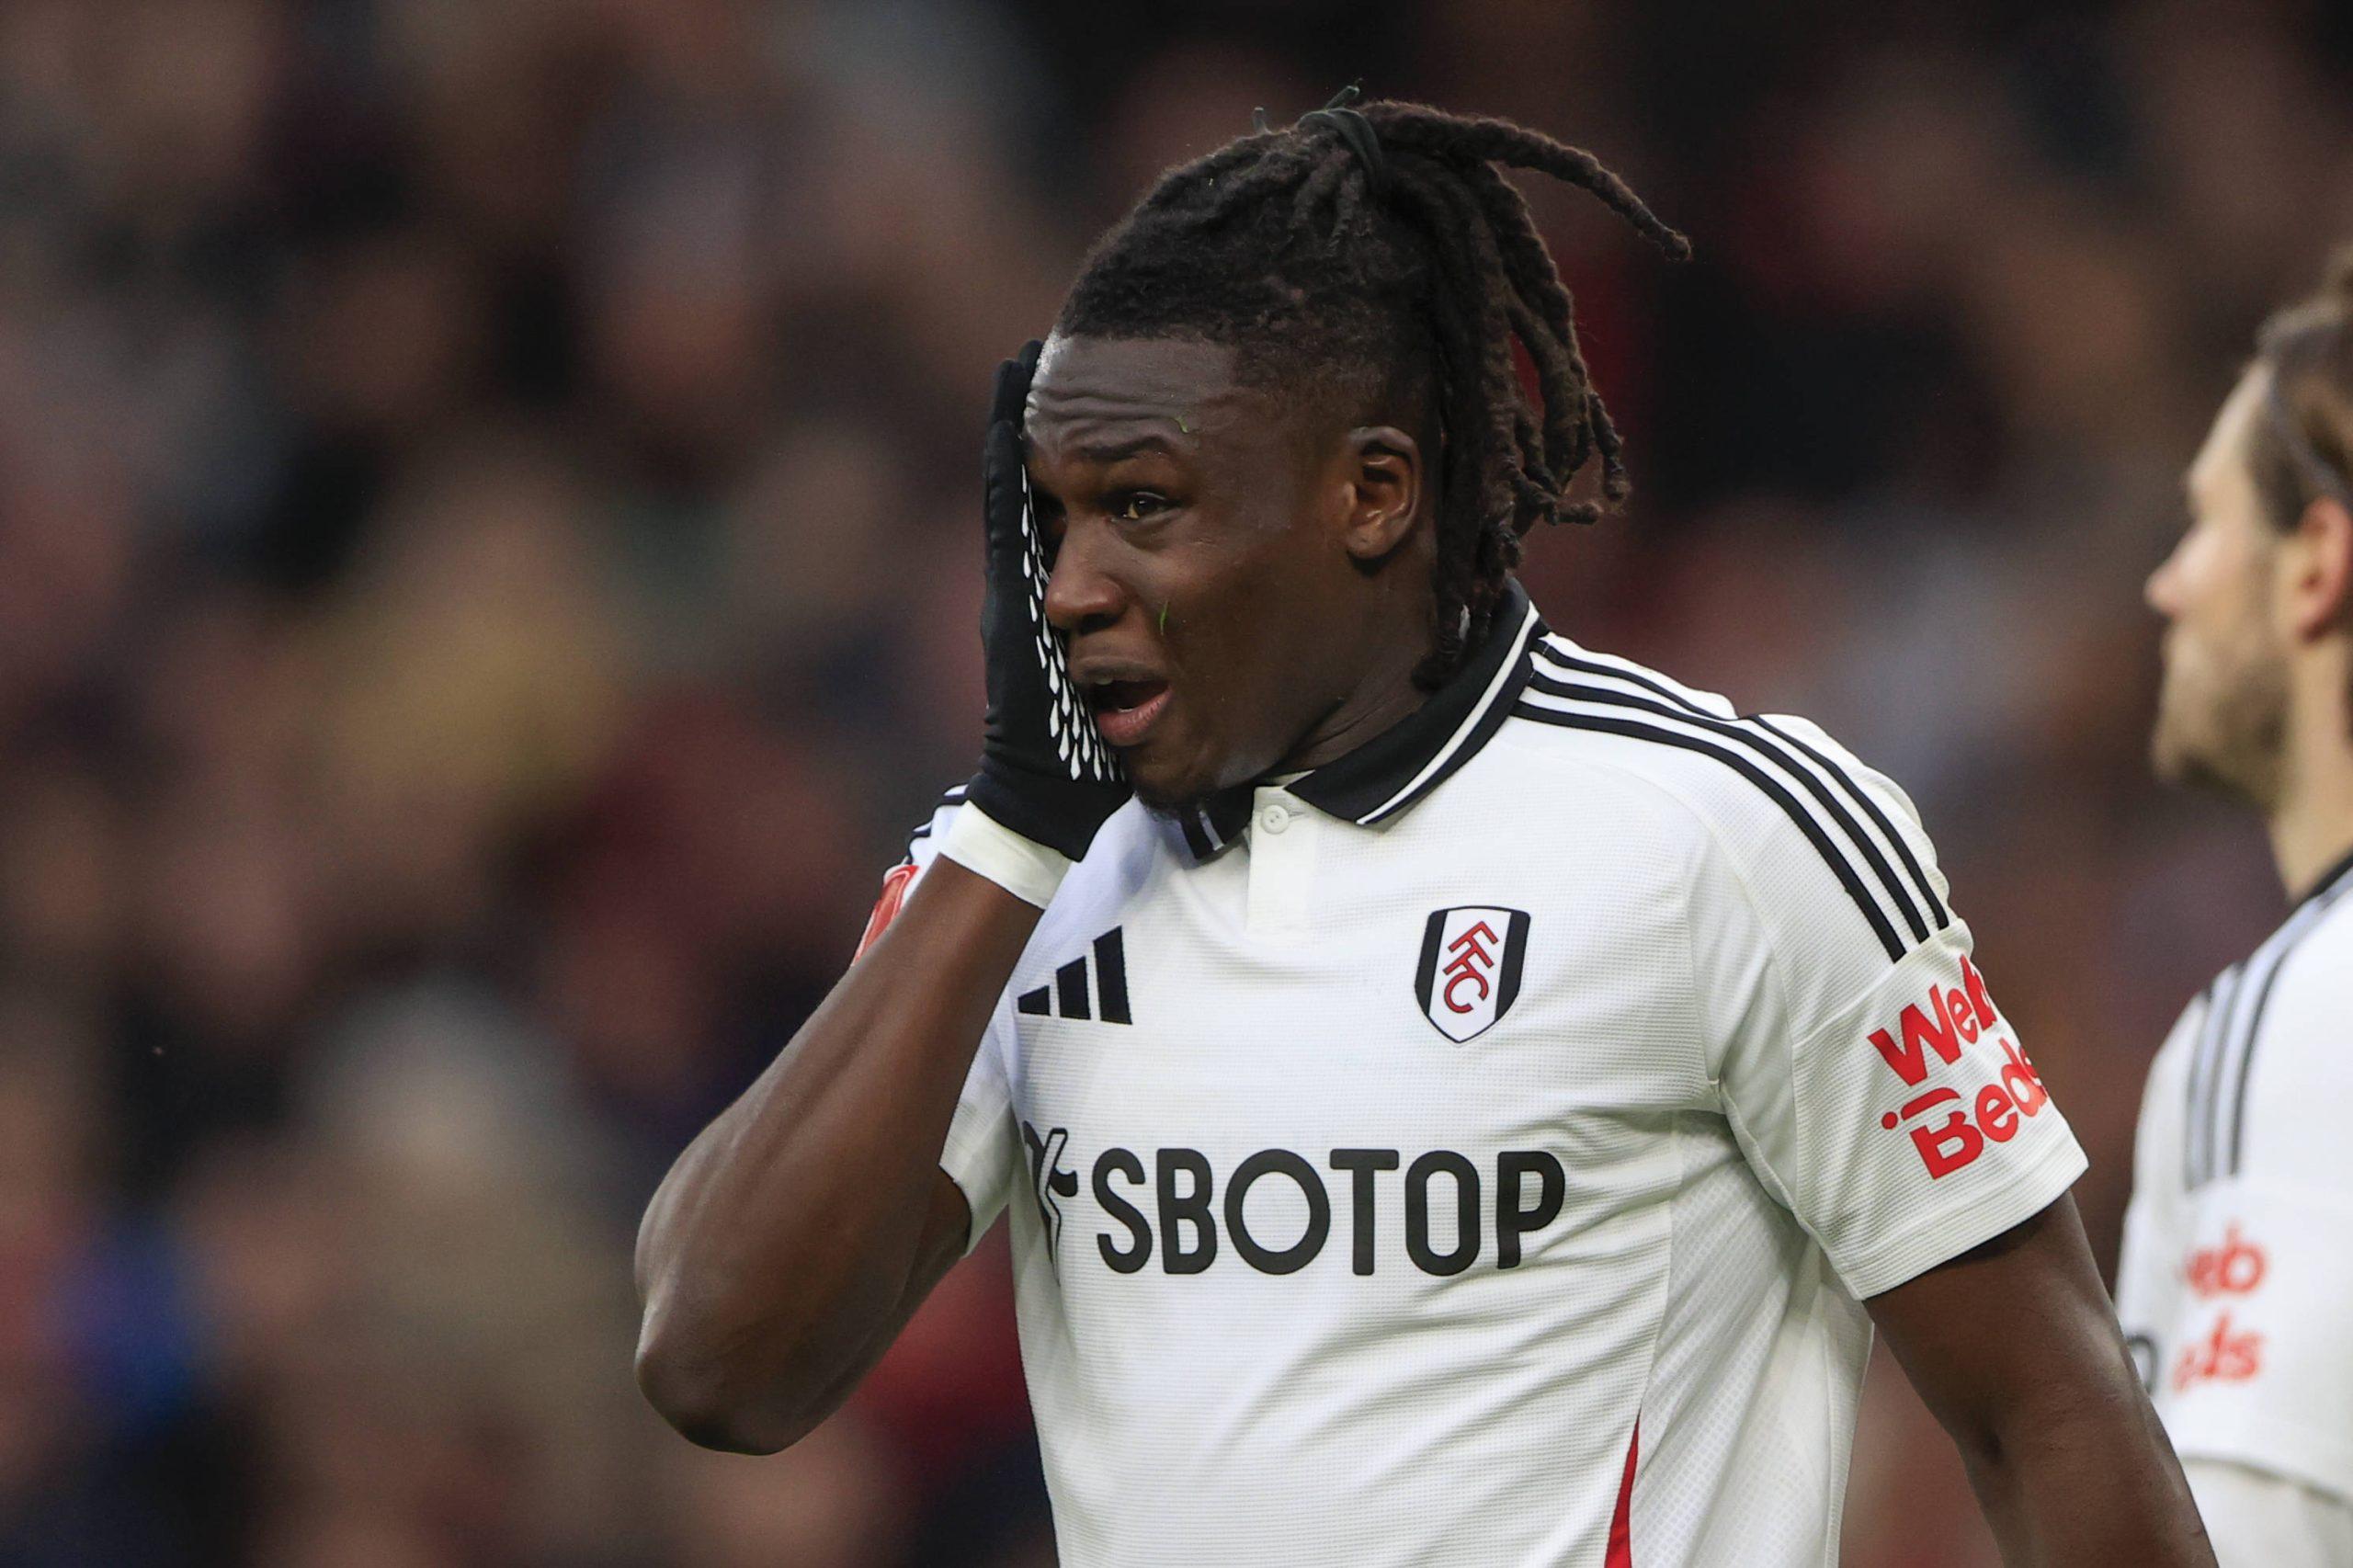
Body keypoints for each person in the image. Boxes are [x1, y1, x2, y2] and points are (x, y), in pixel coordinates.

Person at [634, 95, 2210, 1565]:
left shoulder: (1723, 833)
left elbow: (2051, 1413)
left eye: (1147, 505)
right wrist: (1016, 827)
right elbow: (720, 1361)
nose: (1069, 587)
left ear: (1372, 493)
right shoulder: (1025, 878)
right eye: (1052, 516)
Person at [2122, 252, 2353, 1566]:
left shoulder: (2302, 1013)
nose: (2170, 583)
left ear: (2315, 562)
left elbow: (2257, 1532)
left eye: (2207, 523)